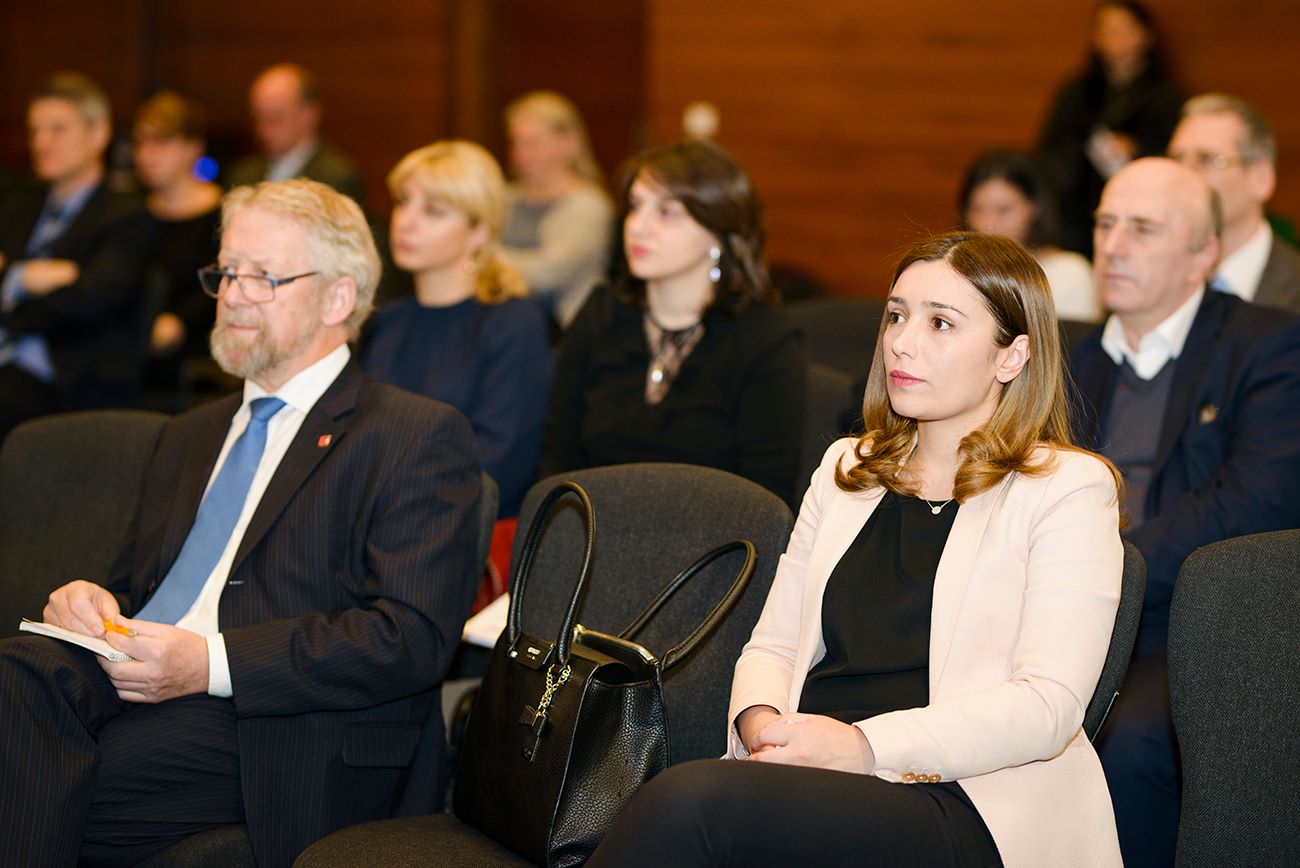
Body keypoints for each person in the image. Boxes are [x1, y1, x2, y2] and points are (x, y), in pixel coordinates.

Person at [589, 231, 1125, 868]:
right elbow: (773, 646)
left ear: (1012, 356)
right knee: (691, 805)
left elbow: (1047, 706)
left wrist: (863, 746)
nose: (901, 342)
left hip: (969, 797)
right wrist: (763, 728)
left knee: (688, 805)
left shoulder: (1067, 488)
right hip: (818, 769)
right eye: (896, 315)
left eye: (940, 323)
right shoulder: (849, 467)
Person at [0, 179, 483, 867]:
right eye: (226, 272)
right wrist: (91, 605)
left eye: (263, 276)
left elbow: (410, 639)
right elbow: (141, 588)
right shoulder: (188, 433)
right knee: (16, 670)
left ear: (337, 299)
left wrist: (210, 664)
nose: (232, 295)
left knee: (43, 784)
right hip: (136, 672)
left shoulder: (413, 435)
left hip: (278, 718)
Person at [1070, 156, 1300, 867]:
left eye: (1142, 229)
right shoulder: (1067, 357)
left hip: (1187, 629)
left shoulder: (1269, 345)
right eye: (1105, 224)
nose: (1113, 246)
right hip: (1060, 613)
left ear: (1204, 255)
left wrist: (1103, 569)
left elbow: (1251, 505)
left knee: (1125, 744)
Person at [540, 139, 805, 507]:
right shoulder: (601, 312)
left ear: (717, 229)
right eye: (636, 206)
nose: (638, 227)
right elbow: (557, 458)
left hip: (715, 538)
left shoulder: (764, 338)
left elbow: (767, 499)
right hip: (593, 531)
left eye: (667, 213)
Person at [362, 141, 552, 517]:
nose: (406, 221)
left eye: (433, 211)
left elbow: (501, 461)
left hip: (461, 524)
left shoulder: (513, 324)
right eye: (403, 201)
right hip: (377, 515)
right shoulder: (385, 321)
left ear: (479, 231)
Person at [0, 71, 154, 442]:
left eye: (57, 129)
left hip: (68, 378)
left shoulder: (127, 215)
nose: (41, 142)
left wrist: (10, 307)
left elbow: (89, 299)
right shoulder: (17, 204)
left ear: (98, 134)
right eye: (35, 130)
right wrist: (25, 276)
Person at [1038, 1, 1182, 255]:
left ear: (1145, 36)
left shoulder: (1165, 98)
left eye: (1122, 29)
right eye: (1105, 29)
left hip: (1136, 211)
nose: (1113, 37)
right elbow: (1050, 149)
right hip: (1076, 213)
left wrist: (1136, 150)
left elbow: (1173, 162)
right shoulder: (1077, 93)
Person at [1168, 92, 1300, 310]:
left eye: (1207, 159)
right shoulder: (1150, 277)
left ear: (1260, 179)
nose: (1184, 174)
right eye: (1176, 159)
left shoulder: (1294, 287)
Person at [499, 90, 614, 329]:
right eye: (515, 143)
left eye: (532, 144)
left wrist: (482, 263)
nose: (521, 155)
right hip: (503, 324)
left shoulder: (589, 205)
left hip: (564, 332)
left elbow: (549, 274)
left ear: (570, 144)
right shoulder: (505, 198)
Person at [133, 90, 223, 395]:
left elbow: (218, 283)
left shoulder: (223, 214)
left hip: (197, 364)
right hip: (134, 353)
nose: (146, 154)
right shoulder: (131, 214)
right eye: (141, 142)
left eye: (160, 142)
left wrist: (179, 321)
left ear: (192, 147)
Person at [960, 148, 1101, 321]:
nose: (987, 224)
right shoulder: (957, 273)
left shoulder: (1068, 273)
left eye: (1003, 210)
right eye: (977, 209)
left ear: (1035, 208)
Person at [227, 63, 364, 205]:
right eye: (258, 117)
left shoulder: (337, 178)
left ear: (309, 115)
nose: (264, 129)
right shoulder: (242, 175)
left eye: (276, 117)